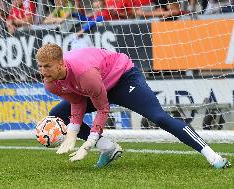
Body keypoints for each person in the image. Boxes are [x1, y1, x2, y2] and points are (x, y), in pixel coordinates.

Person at [36, 43, 231, 169]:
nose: (43, 71)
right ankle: (108, 148)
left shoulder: (84, 74)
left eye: (47, 66)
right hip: (98, 85)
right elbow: (77, 101)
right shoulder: (50, 82)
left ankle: (213, 156)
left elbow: (103, 108)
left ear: (61, 64)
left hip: (123, 78)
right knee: (57, 114)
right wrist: (72, 132)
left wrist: (88, 143)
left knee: (159, 118)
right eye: (40, 66)